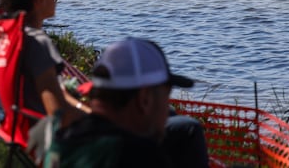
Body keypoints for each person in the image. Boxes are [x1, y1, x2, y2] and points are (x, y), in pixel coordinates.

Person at [43, 38, 205, 168]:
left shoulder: (60, 141)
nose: (166, 109)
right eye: (166, 95)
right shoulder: (137, 154)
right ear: (144, 99)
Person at [0, 0, 86, 127]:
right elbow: (59, 115)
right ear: (40, 0)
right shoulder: (37, 43)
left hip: (15, 124)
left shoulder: (7, 35)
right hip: (42, 134)